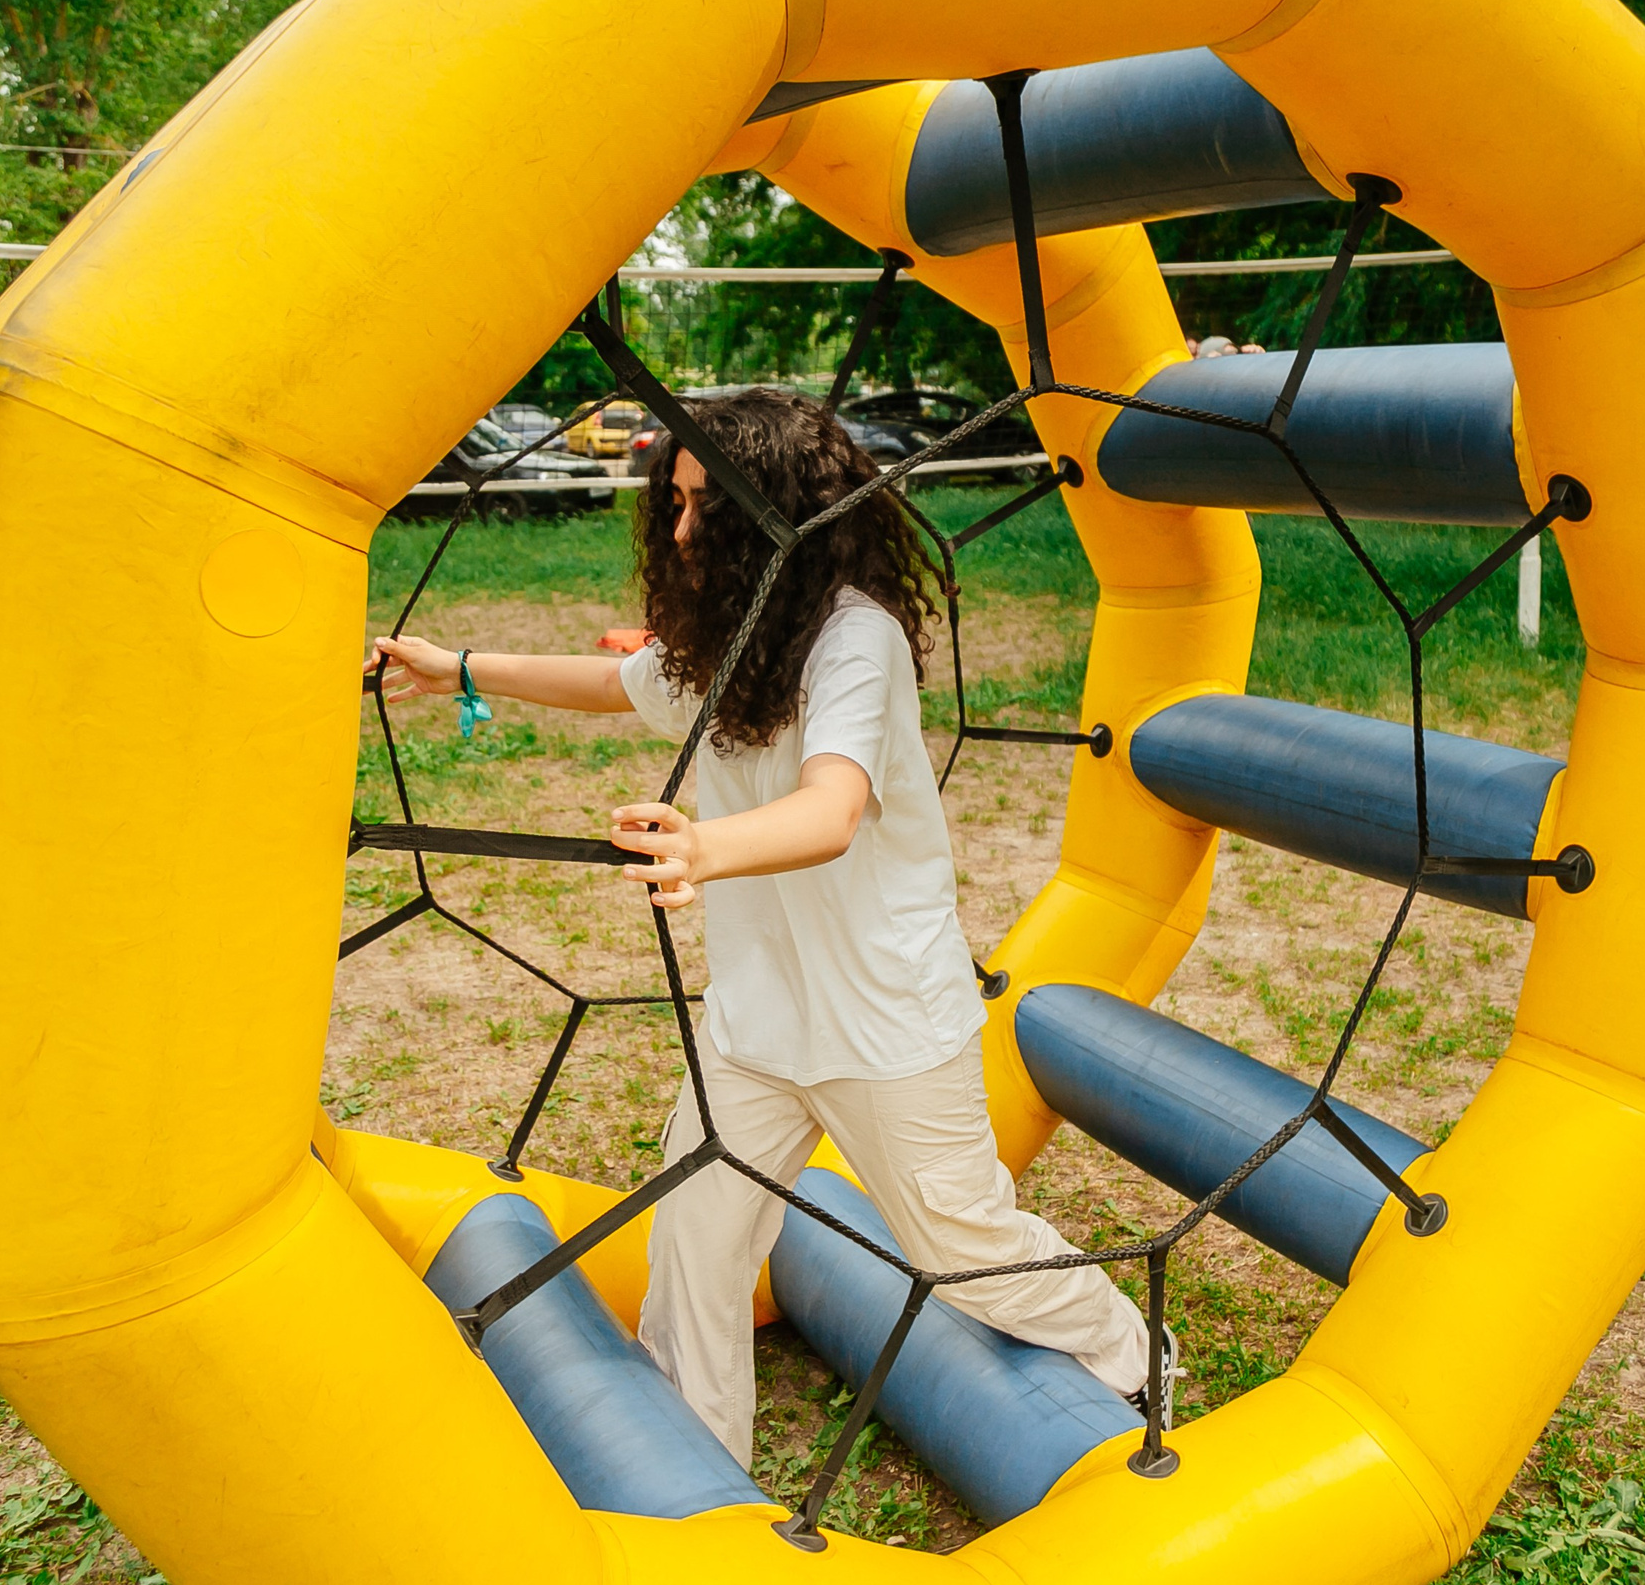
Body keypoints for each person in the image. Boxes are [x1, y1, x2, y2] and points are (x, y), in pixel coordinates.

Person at [370, 388, 1163, 1465]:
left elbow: (832, 807)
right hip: (757, 1015)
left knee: (958, 1237)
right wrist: (457, 663)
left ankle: (1130, 1347)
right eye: (678, 505)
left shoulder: (853, 637)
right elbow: (616, 679)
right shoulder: (727, 633)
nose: (685, 532)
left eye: (710, 511)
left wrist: (703, 846)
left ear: (780, 519)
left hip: (883, 1021)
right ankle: (693, 1467)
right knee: (698, 1232)